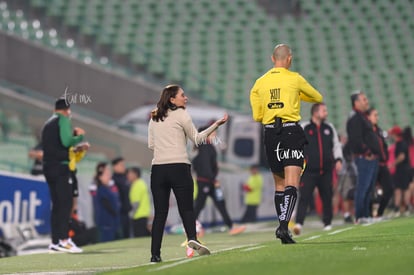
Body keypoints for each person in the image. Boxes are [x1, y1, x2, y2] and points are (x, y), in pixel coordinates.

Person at [249, 44, 323, 244]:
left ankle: (283, 228)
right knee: (292, 182)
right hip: (290, 131)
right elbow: (317, 97)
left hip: (270, 133)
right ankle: (283, 227)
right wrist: (295, 94)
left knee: (279, 184)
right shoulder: (295, 78)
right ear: (289, 59)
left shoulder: (259, 83)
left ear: (273, 58)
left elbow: (257, 116)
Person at [148, 84, 228, 262]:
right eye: (182, 95)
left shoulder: (154, 116)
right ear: (172, 99)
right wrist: (216, 125)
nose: (186, 98)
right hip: (179, 167)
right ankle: (192, 238)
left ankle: (155, 255)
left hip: (158, 169)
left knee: (160, 214)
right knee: (186, 209)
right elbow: (198, 139)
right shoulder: (181, 114)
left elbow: (151, 145)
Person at [293, 103, 343, 235]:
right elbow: (296, 146)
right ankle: (298, 224)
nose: (326, 113)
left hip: (326, 170)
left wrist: (338, 160)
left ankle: (327, 223)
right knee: (304, 197)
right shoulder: (304, 127)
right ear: (315, 113)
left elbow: (336, 146)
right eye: (324, 110)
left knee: (327, 197)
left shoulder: (329, 128)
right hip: (308, 170)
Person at [42, 98, 84, 253]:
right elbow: (66, 142)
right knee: (66, 204)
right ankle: (64, 240)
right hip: (61, 168)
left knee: (57, 205)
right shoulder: (63, 120)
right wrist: (78, 137)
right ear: (67, 110)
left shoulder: (48, 123)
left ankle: (55, 242)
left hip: (48, 167)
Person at [192, 125, 246, 235]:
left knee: (220, 203)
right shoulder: (205, 147)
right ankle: (191, 229)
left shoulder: (207, 146)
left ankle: (231, 226)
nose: (215, 135)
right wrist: (213, 180)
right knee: (199, 205)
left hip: (210, 181)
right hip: (206, 182)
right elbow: (206, 166)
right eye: (213, 133)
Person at [366, 108, 393, 218]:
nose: (377, 117)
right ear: (368, 117)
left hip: (382, 164)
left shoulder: (379, 130)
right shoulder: (366, 131)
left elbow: (384, 145)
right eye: (374, 115)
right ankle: (368, 215)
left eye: (377, 115)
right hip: (371, 163)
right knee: (369, 190)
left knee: (389, 189)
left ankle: (379, 213)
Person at [95, 162, 121, 242]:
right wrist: (114, 212)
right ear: (100, 177)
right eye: (106, 175)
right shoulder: (101, 189)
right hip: (106, 222)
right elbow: (107, 204)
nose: (109, 176)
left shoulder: (108, 188)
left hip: (113, 221)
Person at [388, 126, 411, 216]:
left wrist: (392, 164)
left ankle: (403, 208)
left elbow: (402, 157)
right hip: (402, 169)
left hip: (403, 169)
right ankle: (401, 208)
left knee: (402, 189)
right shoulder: (401, 143)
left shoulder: (401, 143)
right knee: (401, 189)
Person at [337, 136, 357, 223]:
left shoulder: (351, 146)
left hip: (352, 172)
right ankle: (347, 214)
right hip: (346, 172)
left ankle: (350, 213)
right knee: (346, 194)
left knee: (351, 194)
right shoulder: (342, 147)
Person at [128, 166, 151, 237]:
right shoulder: (142, 183)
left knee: (139, 238)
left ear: (135, 174)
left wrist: (131, 214)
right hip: (144, 215)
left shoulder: (136, 185)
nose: (128, 175)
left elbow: (136, 203)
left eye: (130, 173)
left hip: (138, 216)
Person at [112, 157, 132, 239]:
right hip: (119, 213)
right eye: (121, 165)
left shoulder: (124, 178)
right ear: (115, 166)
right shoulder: (113, 180)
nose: (123, 167)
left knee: (127, 234)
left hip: (126, 212)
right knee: (121, 235)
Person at [402, 126, 414, 213]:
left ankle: (407, 204)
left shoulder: (403, 143)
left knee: (409, 187)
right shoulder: (412, 141)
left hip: (407, 167)